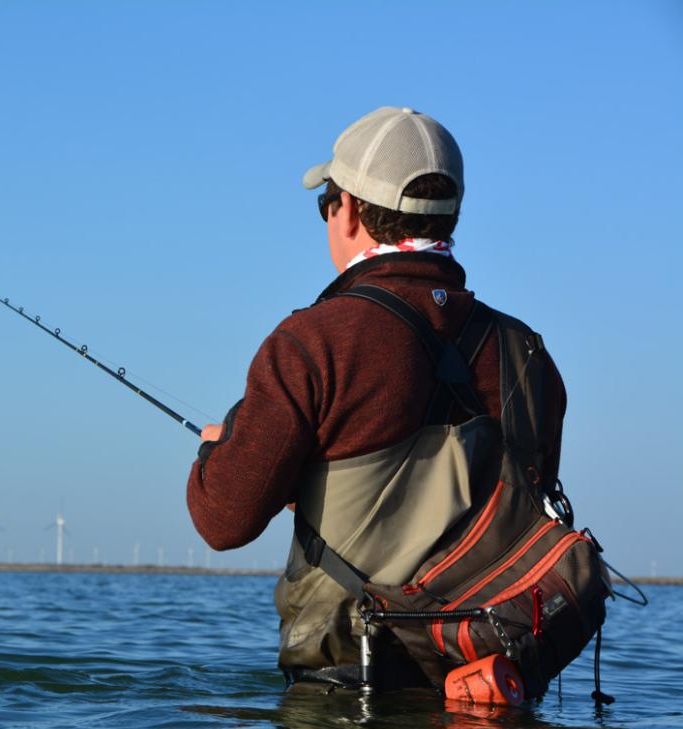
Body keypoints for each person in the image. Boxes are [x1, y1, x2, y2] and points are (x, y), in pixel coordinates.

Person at [185, 107, 566, 689]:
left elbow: (223, 522)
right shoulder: (528, 353)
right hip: (490, 692)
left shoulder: (312, 342)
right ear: (451, 214)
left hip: (349, 704)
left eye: (327, 203)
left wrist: (215, 454)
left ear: (352, 211)